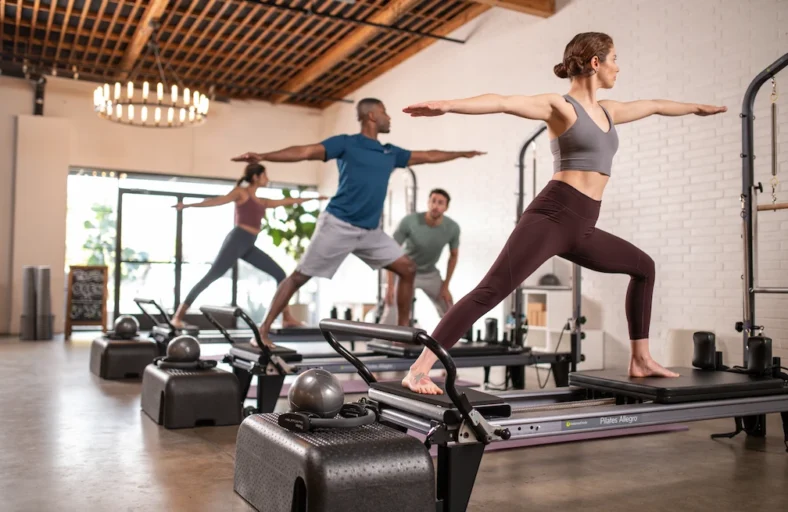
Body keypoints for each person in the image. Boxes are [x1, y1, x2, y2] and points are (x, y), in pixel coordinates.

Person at [399, 32, 727, 394]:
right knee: (490, 291)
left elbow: (652, 105)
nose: (619, 67)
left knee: (644, 267)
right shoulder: (561, 107)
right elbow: (504, 102)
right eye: (615, 58)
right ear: (596, 63)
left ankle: (640, 358)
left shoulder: (609, 111)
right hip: (552, 216)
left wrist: (697, 108)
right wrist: (447, 104)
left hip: (584, 225)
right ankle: (419, 369)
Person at [232, 98, 484, 347]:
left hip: (370, 232)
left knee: (407, 268)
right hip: (338, 225)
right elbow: (306, 151)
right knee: (299, 277)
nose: (389, 117)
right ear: (372, 116)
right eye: (385, 112)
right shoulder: (346, 144)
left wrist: (461, 153)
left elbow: (428, 156)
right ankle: (262, 331)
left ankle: (403, 334)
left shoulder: (389, 152)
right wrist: (263, 156)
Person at [170, 163, 325, 328]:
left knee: (280, 274)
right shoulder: (241, 193)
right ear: (255, 177)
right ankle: (177, 316)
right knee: (212, 276)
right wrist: (187, 205)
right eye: (265, 175)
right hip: (237, 240)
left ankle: (286, 317)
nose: (268, 179)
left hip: (249, 243)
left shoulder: (262, 201)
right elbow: (218, 201)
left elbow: (287, 201)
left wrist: (315, 198)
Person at [379, 188, 460, 326]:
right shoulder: (409, 221)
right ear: (428, 202)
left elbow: (453, 256)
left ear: (446, 207)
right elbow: (391, 251)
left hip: (430, 273)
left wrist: (445, 286)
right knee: (392, 310)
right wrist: (390, 286)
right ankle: (380, 345)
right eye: (433, 201)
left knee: (449, 307)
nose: (436, 205)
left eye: (440, 203)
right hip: (405, 272)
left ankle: (453, 342)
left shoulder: (452, 228)